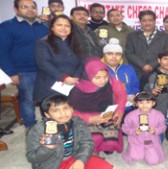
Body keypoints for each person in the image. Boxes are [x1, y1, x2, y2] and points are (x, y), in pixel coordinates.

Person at [26, 94, 113, 169]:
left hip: (75, 156)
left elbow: (87, 143)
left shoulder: (78, 122)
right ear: (47, 114)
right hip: (52, 164)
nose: (63, 113)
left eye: (66, 108)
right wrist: (47, 148)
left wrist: (80, 161)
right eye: (56, 110)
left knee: (105, 167)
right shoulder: (37, 130)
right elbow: (32, 158)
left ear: (72, 109)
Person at [0, 0, 48, 128]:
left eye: (33, 7)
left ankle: (47, 123)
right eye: (24, 7)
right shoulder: (7, 26)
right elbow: (2, 51)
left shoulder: (43, 26)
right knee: (27, 100)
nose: (30, 10)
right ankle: (30, 126)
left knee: (46, 99)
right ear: (16, 9)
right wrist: (12, 73)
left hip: (44, 70)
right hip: (24, 72)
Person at [68, 57, 126, 155]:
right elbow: (69, 111)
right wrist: (89, 118)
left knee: (111, 139)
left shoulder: (111, 81)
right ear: (88, 75)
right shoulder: (76, 90)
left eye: (105, 76)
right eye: (97, 77)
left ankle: (107, 146)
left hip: (106, 113)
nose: (103, 81)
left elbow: (121, 96)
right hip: (83, 117)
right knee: (94, 139)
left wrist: (119, 112)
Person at [34, 15, 82, 103]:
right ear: (52, 27)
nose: (63, 28)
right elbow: (44, 64)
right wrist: (64, 77)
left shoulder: (75, 42)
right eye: (59, 25)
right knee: (53, 113)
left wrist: (76, 77)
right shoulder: (43, 43)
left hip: (72, 84)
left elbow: (81, 61)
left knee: (71, 111)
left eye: (67, 26)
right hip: (51, 84)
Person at [126, 10, 168, 88]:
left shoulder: (164, 36)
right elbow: (129, 53)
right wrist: (143, 65)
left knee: (160, 95)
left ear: (154, 21)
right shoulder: (132, 36)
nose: (147, 23)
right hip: (137, 71)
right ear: (140, 22)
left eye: (150, 20)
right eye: (144, 20)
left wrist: (152, 65)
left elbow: (167, 54)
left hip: (159, 71)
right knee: (138, 96)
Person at [122, 92, 166, 165]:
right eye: (141, 102)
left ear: (153, 103)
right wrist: (134, 131)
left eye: (148, 102)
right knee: (136, 157)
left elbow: (163, 127)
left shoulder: (159, 115)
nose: (144, 105)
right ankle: (136, 150)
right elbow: (124, 128)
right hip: (136, 141)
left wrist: (155, 130)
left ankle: (148, 151)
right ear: (136, 104)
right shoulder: (131, 115)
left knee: (153, 161)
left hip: (151, 141)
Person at [102, 38, 139, 114]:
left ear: (122, 57)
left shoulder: (128, 68)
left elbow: (136, 87)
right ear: (104, 55)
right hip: (107, 110)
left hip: (129, 108)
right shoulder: (98, 70)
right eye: (110, 54)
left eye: (118, 54)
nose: (114, 57)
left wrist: (135, 95)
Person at [144, 50, 168, 115]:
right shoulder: (148, 76)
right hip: (153, 113)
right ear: (159, 60)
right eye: (165, 59)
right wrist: (151, 94)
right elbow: (140, 96)